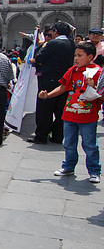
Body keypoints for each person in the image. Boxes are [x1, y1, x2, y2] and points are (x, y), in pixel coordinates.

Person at [42, 41, 101, 183]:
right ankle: (68, 166)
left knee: (89, 145)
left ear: (90, 56)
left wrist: (94, 86)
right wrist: (48, 95)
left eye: (80, 55)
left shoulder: (98, 72)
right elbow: (62, 87)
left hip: (88, 115)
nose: (76, 58)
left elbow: (101, 93)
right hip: (70, 113)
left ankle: (94, 171)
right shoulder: (73, 70)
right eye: (75, 55)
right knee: (68, 142)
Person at [28, 21, 75, 144]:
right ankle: (58, 136)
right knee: (60, 109)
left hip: (49, 79)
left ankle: (41, 135)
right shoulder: (72, 44)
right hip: (65, 79)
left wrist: (33, 59)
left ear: (55, 32)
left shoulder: (53, 43)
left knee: (45, 108)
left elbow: (39, 58)